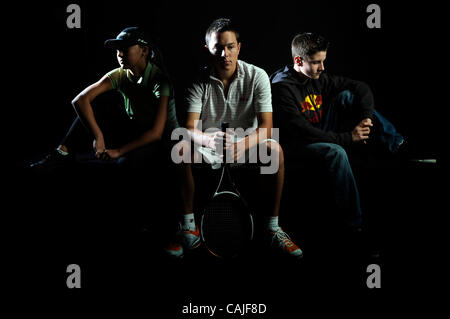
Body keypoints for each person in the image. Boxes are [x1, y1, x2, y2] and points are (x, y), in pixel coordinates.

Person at [165, 18, 303, 259]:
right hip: (210, 145)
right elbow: (189, 127)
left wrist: (243, 144)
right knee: (180, 148)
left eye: (230, 46)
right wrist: (209, 141)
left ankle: (272, 229)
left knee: (275, 151)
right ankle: (189, 226)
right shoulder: (198, 81)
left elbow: (267, 127)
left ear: (239, 47)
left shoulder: (257, 76)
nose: (224, 53)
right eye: (218, 47)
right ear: (207, 48)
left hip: (247, 144)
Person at [270, 32, 403, 232]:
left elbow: (360, 87)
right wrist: (349, 138)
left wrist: (366, 117)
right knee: (336, 152)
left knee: (348, 96)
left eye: (323, 61)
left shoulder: (316, 77)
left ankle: (396, 145)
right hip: (294, 144)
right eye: (316, 62)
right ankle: (355, 225)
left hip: (316, 130)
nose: (322, 68)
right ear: (298, 60)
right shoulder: (281, 88)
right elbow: (303, 131)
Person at [28, 27, 179, 174]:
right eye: (117, 50)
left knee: (125, 163)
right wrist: (98, 136)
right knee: (96, 106)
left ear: (144, 51)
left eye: (124, 48)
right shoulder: (120, 74)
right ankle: (62, 153)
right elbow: (80, 100)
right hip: (136, 129)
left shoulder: (159, 81)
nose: (119, 54)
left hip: (163, 141)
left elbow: (156, 133)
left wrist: (118, 152)